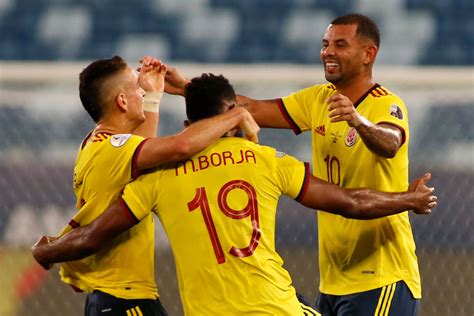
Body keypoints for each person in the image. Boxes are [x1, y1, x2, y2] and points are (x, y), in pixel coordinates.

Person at [32, 74, 437, 316]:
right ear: (232, 115)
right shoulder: (265, 160)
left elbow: (94, 235)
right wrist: (409, 199)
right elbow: (351, 202)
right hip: (274, 307)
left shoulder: (157, 179)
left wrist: (49, 251)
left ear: (190, 122)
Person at [40, 57, 259, 316]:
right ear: (122, 101)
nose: (141, 90)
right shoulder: (114, 149)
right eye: (136, 87)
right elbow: (182, 146)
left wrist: (153, 95)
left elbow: (144, 150)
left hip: (113, 297)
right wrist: (237, 115)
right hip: (123, 298)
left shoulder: (99, 144)